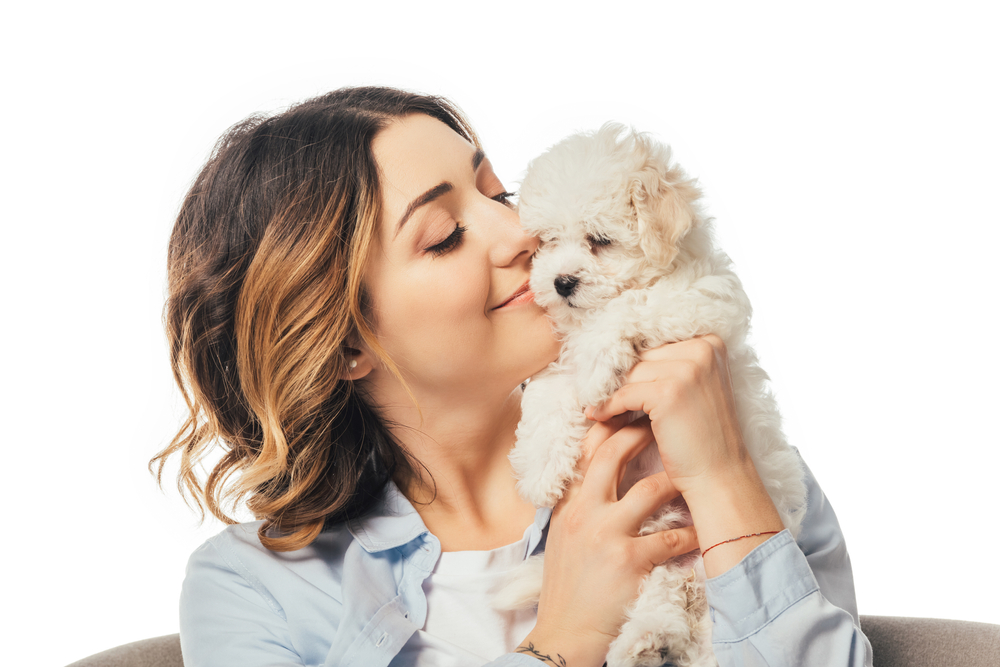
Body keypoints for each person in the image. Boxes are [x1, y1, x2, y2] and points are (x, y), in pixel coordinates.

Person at [151, 86, 874, 667]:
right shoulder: (254, 590)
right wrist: (563, 640)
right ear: (343, 345)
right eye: (444, 237)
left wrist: (722, 482)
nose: (519, 233)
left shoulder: (716, 439)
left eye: (498, 195)